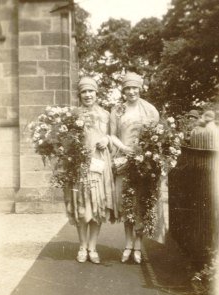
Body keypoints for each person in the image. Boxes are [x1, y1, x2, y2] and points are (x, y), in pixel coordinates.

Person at [64, 76, 117, 264]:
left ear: (96, 93)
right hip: (80, 165)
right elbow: (66, 141)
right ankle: (82, 246)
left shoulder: (106, 114)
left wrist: (108, 140)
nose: (88, 95)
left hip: (100, 164)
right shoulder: (74, 114)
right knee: (81, 206)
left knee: (97, 206)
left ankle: (93, 248)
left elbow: (113, 137)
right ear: (80, 94)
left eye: (91, 91)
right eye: (84, 92)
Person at [110, 72, 159, 264]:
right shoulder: (118, 110)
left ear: (140, 88)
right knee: (126, 204)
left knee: (141, 202)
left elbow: (157, 137)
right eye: (128, 88)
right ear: (123, 90)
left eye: (134, 88)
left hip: (143, 162)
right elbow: (112, 135)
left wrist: (144, 152)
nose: (131, 92)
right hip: (123, 160)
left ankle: (138, 246)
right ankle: (128, 244)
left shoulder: (150, 110)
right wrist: (124, 148)